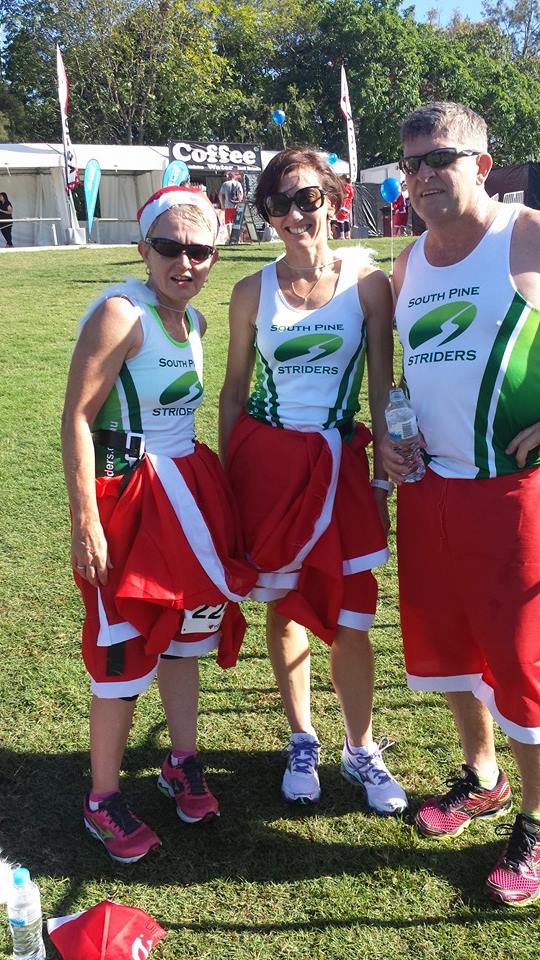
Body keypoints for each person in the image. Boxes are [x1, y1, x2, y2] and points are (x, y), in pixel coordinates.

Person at [61, 185, 256, 864]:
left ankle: (181, 761)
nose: (185, 261)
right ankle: (103, 798)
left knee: (186, 634)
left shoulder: (194, 322)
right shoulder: (122, 312)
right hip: (126, 497)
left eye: (200, 250)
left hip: (186, 492)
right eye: (169, 247)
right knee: (121, 645)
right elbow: (77, 418)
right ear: (144, 249)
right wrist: (86, 520)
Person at [383, 101, 540, 905]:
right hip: (430, 491)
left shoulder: (528, 235)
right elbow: (409, 375)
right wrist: (392, 437)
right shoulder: (407, 264)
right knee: (448, 650)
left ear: (482, 163)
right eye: (411, 163)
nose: (423, 175)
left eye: (440, 158)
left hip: (514, 491)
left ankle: (537, 822)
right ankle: (484, 777)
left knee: (522, 662)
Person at [219, 147, 408, 815]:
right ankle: (303, 738)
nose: (296, 214)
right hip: (267, 466)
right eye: (280, 203)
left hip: (339, 464)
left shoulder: (368, 283)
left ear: (332, 200)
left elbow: (381, 387)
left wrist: (382, 478)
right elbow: (234, 390)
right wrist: (228, 481)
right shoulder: (251, 290)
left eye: (307, 198)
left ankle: (360, 747)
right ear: (268, 215)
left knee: (352, 613)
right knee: (283, 602)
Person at [219, 170, 244, 240]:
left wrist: (222, 205)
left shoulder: (225, 184)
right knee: (238, 222)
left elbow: (220, 195)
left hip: (228, 206)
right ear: (234, 177)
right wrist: (239, 202)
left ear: (228, 177)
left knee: (228, 222)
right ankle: (239, 238)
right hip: (237, 206)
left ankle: (231, 238)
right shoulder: (238, 184)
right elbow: (241, 194)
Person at [332, 174, 355, 240]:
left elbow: (346, 194)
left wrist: (338, 196)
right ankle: (348, 235)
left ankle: (342, 236)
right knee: (346, 220)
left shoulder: (346, 186)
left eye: (341, 179)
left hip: (343, 205)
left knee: (340, 220)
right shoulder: (350, 186)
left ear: (344, 180)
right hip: (347, 206)